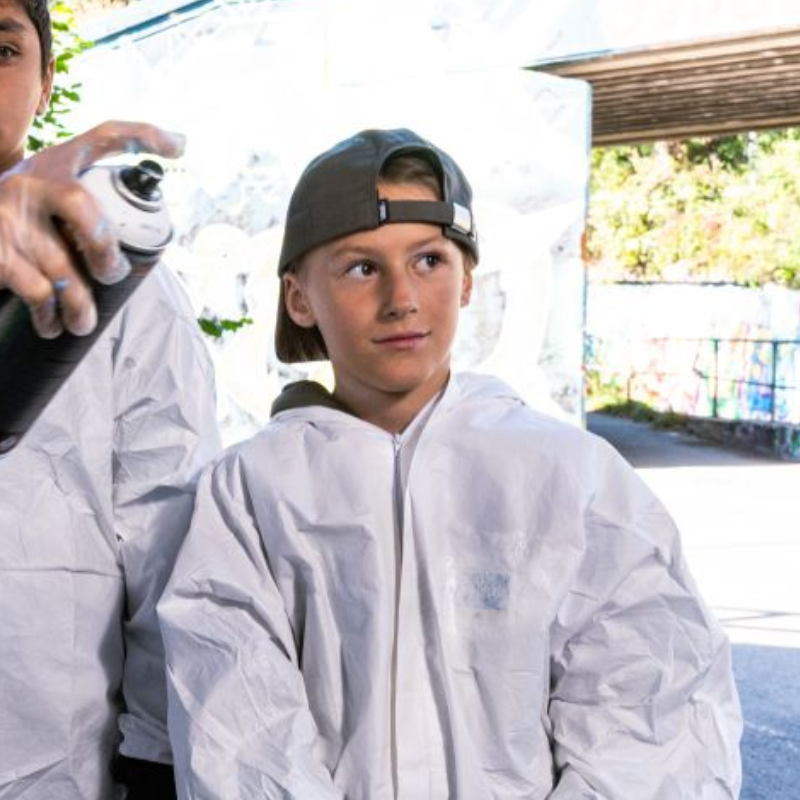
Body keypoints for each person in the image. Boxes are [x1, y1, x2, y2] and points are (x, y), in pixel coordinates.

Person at [158, 128, 743, 799]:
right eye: (361, 268)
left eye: (429, 260)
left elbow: (654, 708)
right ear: (299, 298)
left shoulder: (569, 477)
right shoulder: (252, 494)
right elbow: (238, 730)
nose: (401, 298)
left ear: (466, 279)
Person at [0, 2, 221, 798]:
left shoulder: (129, 288)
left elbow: (171, 534)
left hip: (49, 761)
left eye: (2, 49)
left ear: (46, 81)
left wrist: (157, 755)